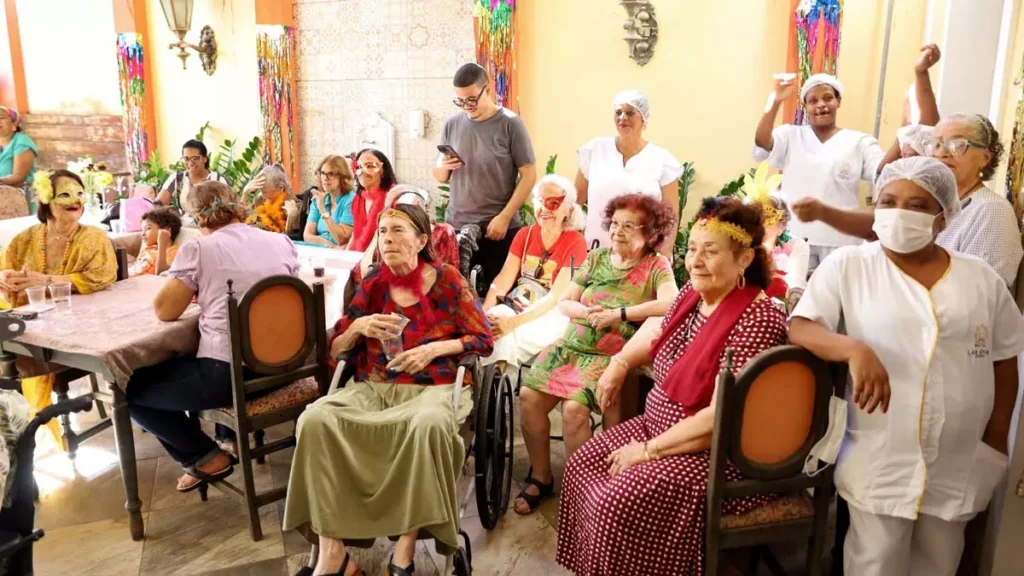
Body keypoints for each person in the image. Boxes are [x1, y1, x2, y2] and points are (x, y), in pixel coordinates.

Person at [789, 157, 1024, 575]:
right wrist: (853, 349)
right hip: (881, 451)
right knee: (874, 562)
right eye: (889, 201)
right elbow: (803, 327)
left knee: (940, 561)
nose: (900, 213)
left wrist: (995, 440)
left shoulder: (980, 279)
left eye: (917, 205)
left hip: (961, 455)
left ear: (944, 215)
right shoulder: (851, 266)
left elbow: (1005, 359)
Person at [556, 196, 788, 575]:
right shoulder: (694, 295)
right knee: (582, 466)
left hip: (711, 456)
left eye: (710, 252)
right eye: (692, 248)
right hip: (661, 430)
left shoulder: (756, 319)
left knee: (617, 498)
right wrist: (620, 362)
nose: (694, 261)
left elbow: (721, 416)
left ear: (744, 259)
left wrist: (648, 451)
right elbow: (657, 330)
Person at [283, 204, 492, 576]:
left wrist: (434, 348)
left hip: (435, 388)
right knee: (314, 420)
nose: (388, 239)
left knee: (427, 426)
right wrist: (358, 327)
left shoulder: (449, 281)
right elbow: (337, 346)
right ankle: (334, 554)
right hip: (376, 386)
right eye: (382, 232)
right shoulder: (374, 281)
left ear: (422, 240)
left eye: (398, 230)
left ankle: (405, 550)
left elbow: (482, 339)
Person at [126, 181, 298, 492]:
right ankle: (224, 437)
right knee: (185, 361)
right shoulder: (280, 241)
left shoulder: (199, 248)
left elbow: (165, 311)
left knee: (130, 390)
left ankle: (204, 456)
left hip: (230, 377)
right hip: (285, 368)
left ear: (197, 217)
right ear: (236, 204)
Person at [515, 193, 678, 515]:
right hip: (570, 347)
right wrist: (588, 313)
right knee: (528, 398)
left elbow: (671, 303)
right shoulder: (597, 258)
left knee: (575, 410)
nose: (617, 231)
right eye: (615, 223)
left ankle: (581, 490)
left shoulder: (655, 265)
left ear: (649, 232)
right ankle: (541, 476)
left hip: (608, 356)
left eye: (628, 226)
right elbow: (566, 301)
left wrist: (619, 313)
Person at [753, 45, 941, 270]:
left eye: (827, 98)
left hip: (841, 241)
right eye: (813, 101)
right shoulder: (791, 135)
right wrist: (775, 102)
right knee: (793, 295)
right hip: (796, 238)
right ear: (805, 107)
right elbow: (763, 142)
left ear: (838, 102)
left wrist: (904, 131)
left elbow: (882, 169)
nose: (821, 105)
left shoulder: (859, 141)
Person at [792, 114, 1023, 288]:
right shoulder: (930, 203)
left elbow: (986, 290)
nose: (943, 153)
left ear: (985, 157)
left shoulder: (990, 211)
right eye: (936, 144)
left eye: (957, 144)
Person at [0, 169, 117, 447]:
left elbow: (102, 276)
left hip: (76, 329)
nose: (75, 200)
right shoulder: (25, 239)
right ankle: (16, 429)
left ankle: (25, 431)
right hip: (29, 322)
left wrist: (47, 280)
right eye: (64, 194)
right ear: (46, 201)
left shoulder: (93, 238)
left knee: (12, 359)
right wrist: (5, 279)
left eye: (79, 193)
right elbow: (7, 270)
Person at [433, 63, 537, 287]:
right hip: (458, 226)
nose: (466, 106)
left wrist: (505, 217)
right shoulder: (452, 124)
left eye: (472, 99)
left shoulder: (510, 123)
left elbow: (529, 175)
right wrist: (443, 164)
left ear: (487, 90)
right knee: (457, 298)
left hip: (498, 229)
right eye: (460, 100)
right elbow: (440, 176)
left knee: (496, 301)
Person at [481, 174, 587, 368]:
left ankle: (494, 386)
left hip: (553, 310)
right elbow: (504, 279)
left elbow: (556, 296)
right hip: (520, 299)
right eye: (540, 200)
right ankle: (495, 386)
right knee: (492, 325)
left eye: (553, 202)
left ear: (569, 209)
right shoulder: (525, 234)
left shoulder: (576, 242)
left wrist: (512, 323)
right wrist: (485, 312)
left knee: (511, 336)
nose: (545, 208)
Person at [575, 90, 682, 252]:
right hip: (596, 252)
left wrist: (664, 255)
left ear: (643, 118)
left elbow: (671, 216)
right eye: (618, 112)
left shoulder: (662, 160)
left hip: (643, 255)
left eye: (630, 112)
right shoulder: (595, 150)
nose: (622, 117)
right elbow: (575, 202)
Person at [357, 185, 460, 276]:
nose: (391, 214)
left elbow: (448, 274)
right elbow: (364, 273)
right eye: (387, 209)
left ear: (418, 205)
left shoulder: (443, 231)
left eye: (399, 208)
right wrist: (378, 234)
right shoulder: (385, 236)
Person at [759, 195, 810, 309]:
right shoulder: (740, 246)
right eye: (753, 217)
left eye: (767, 218)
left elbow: (793, 294)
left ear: (782, 225)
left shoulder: (795, 246)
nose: (759, 225)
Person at [156, 139, 229, 215]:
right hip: (183, 225)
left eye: (194, 158)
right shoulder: (177, 179)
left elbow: (230, 207)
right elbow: (159, 204)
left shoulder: (218, 179)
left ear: (205, 159)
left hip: (214, 225)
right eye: (186, 159)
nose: (190, 163)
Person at [347, 148, 396, 252]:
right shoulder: (358, 198)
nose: (363, 171)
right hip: (358, 256)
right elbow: (355, 235)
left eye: (370, 166)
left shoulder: (393, 197)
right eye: (359, 167)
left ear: (383, 171)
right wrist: (346, 255)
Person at [303, 155, 355, 247]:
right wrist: (328, 245)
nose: (325, 178)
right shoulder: (318, 199)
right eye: (323, 173)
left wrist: (323, 210)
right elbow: (307, 236)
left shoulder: (351, 200)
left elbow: (341, 239)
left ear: (342, 177)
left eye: (331, 174)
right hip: (320, 249)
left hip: (340, 254)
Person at [244, 164, 300, 235]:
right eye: (261, 191)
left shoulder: (294, 206)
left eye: (265, 192)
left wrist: (291, 218)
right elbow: (242, 222)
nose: (263, 196)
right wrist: (245, 194)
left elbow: (288, 240)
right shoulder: (259, 199)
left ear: (280, 188)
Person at [129, 207, 182, 277]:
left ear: (166, 230)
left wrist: (162, 244)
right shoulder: (149, 248)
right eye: (142, 230)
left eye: (148, 228)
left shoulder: (174, 251)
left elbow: (162, 273)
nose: (142, 233)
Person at [0, 106, 37, 188]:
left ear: (14, 123)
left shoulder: (22, 142)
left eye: (1, 117)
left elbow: (19, 176)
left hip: (17, 195)